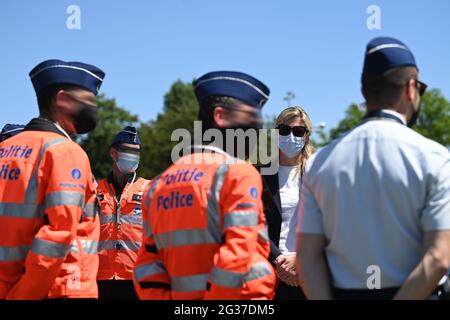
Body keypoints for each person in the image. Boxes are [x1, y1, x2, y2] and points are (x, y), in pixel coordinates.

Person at [296, 37, 450, 300]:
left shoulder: (320, 162)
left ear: (364, 91)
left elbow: (307, 258)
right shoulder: (434, 158)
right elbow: (438, 257)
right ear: (411, 89)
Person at [133, 71, 275, 299]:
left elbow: (148, 264)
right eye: (251, 117)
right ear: (220, 116)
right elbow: (237, 254)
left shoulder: (158, 183)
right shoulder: (238, 172)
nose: (258, 127)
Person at [0, 59, 104, 299]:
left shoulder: (6, 149)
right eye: (88, 100)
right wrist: (24, 294)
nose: (94, 108)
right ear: (63, 99)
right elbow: (57, 236)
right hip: (57, 290)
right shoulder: (65, 151)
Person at [260, 106, 313, 300]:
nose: (291, 136)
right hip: (271, 270)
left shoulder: (319, 174)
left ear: (306, 136)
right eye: (284, 130)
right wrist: (280, 262)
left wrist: (299, 261)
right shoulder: (258, 175)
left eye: (298, 131)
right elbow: (255, 225)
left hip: (309, 271)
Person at [97, 126, 150, 300]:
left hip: (137, 277)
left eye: (137, 152)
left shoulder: (149, 189)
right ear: (113, 153)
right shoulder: (95, 190)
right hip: (101, 278)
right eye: (128, 151)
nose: (134, 156)